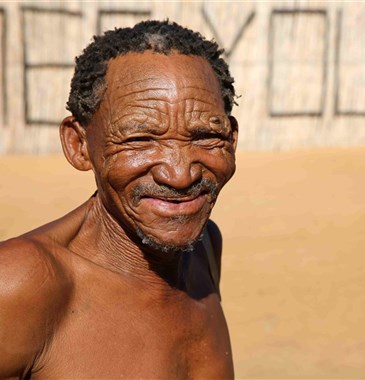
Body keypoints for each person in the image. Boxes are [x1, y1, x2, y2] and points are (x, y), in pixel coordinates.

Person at [0, 20, 238, 378]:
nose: (180, 174)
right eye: (140, 139)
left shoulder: (203, 248)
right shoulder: (24, 283)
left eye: (206, 136)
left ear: (232, 140)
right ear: (79, 146)